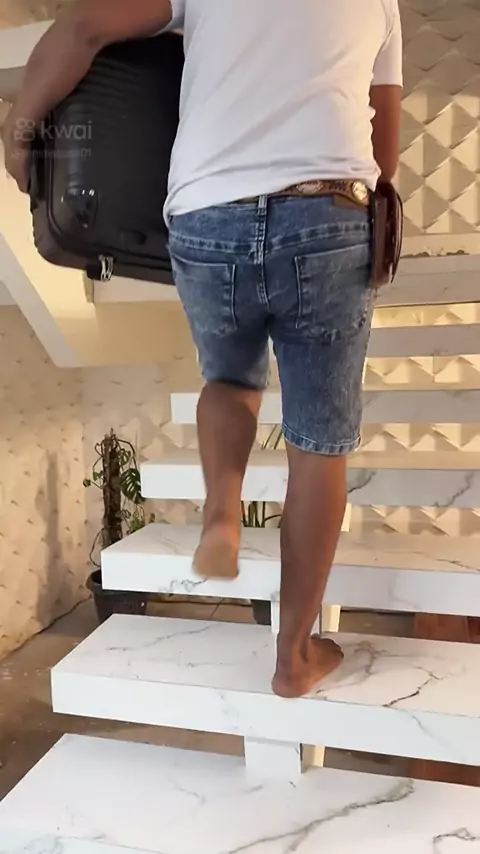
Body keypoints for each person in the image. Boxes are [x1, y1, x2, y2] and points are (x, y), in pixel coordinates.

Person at [3, 0, 402, 699]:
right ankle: (294, 656)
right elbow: (384, 142)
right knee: (318, 445)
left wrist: (20, 134)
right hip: (328, 209)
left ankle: (221, 513)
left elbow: (82, 26)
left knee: (229, 379)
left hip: (208, 213)